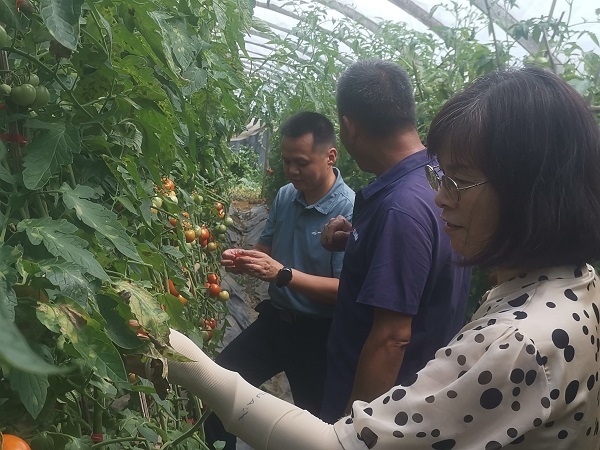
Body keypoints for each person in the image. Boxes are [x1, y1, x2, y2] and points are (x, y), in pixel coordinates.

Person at [165, 67, 600, 449]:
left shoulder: (517, 343)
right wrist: (361, 241)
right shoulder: (576, 287)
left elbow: (348, 433)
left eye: (459, 181)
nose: (441, 198)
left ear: (530, 192)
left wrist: (188, 363)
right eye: (442, 175)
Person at [319, 59, 471, 422]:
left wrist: (352, 430)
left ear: (349, 127)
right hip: (424, 393)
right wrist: (360, 241)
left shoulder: (399, 208)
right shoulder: (438, 176)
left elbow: (392, 338)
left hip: (383, 407)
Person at [205, 111, 355, 449]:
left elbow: (345, 291)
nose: (292, 170)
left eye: (301, 162)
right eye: (287, 162)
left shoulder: (348, 210)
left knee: (315, 429)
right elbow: (265, 250)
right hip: (277, 321)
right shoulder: (287, 196)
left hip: (319, 336)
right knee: (218, 388)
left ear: (330, 156)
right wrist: (244, 260)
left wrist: (283, 275)